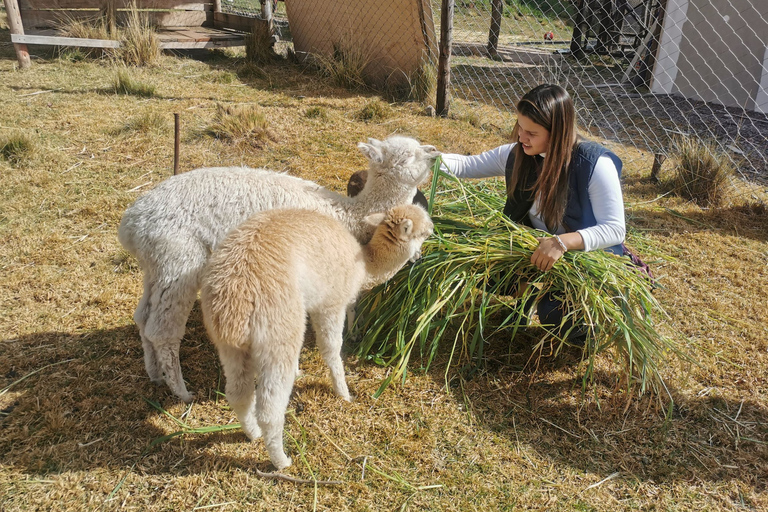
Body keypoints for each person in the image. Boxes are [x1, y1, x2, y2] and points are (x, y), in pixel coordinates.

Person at [439, 83, 626, 340]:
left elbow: (615, 229)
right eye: (519, 128)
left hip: (583, 257)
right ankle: (528, 294)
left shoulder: (594, 164)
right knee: (481, 264)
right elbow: (467, 165)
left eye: (532, 132)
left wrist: (562, 243)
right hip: (537, 251)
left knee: (558, 315)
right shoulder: (521, 155)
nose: (521, 137)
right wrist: (416, 157)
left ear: (558, 132)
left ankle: (593, 323)